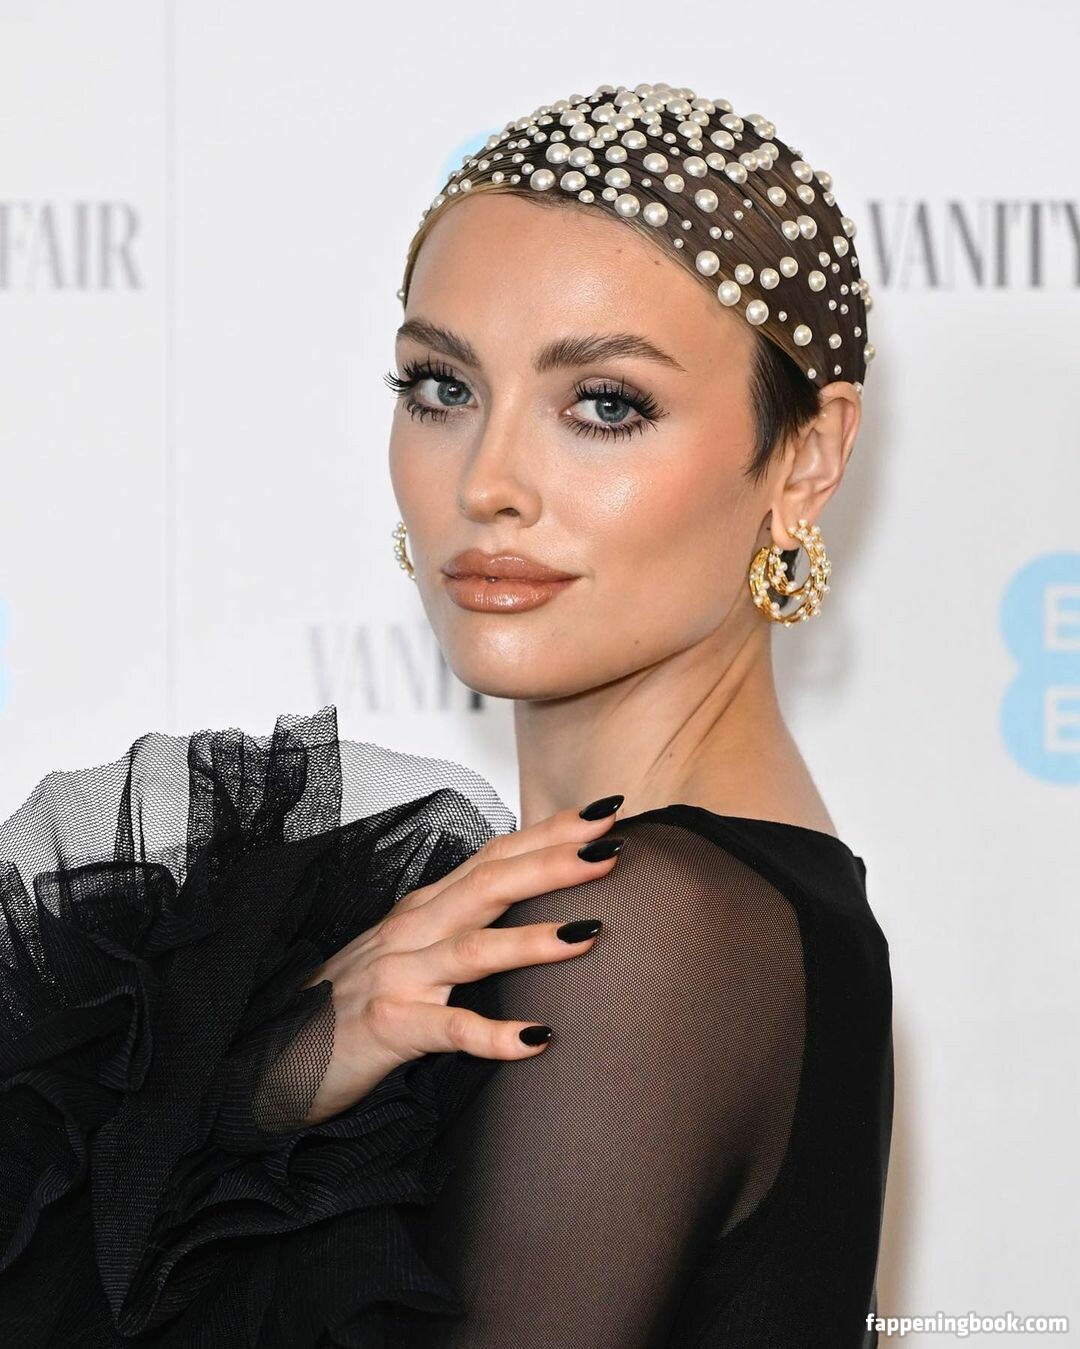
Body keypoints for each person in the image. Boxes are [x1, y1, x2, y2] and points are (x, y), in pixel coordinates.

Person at [0, 80, 893, 1348]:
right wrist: (268, 1080)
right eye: (440, 386)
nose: (487, 483)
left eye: (606, 403)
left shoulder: (651, 926)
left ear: (805, 456)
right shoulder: (662, 911)